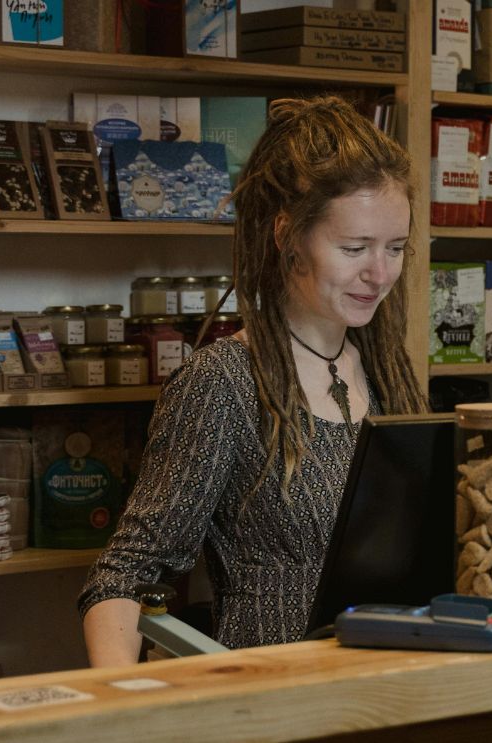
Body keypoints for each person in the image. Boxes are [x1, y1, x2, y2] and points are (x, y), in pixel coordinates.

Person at [79, 96, 427, 667]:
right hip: (272, 694)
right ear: (288, 235)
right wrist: (118, 708)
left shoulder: (388, 370)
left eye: (395, 248)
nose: (380, 274)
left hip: (391, 686)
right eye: (354, 248)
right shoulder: (223, 383)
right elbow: (125, 573)